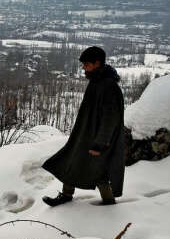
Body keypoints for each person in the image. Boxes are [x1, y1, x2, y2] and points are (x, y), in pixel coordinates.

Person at [41, 46, 125, 206]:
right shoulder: (96, 81)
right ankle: (66, 195)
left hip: (99, 139)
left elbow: (110, 118)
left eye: (86, 64)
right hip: (86, 135)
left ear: (97, 63)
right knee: (72, 161)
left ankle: (109, 203)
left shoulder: (109, 86)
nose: (83, 67)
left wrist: (100, 143)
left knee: (100, 170)